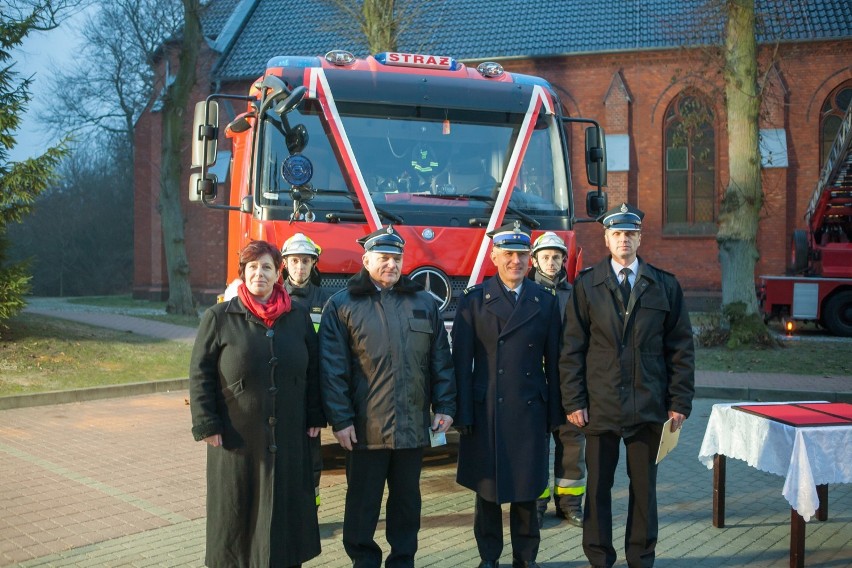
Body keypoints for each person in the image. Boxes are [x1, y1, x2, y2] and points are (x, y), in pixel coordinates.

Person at [559, 203, 695, 568]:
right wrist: (573, 400)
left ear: (640, 238)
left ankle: (641, 558)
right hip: (599, 406)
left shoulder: (664, 285)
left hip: (647, 405)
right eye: (617, 233)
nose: (624, 239)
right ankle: (599, 558)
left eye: (630, 233)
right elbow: (571, 348)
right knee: (598, 490)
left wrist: (679, 400)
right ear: (606, 239)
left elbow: (680, 347)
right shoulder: (587, 285)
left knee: (643, 490)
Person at [319, 225, 456, 568]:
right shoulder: (342, 305)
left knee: (407, 503)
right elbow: (333, 371)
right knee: (363, 504)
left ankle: (403, 559)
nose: (391, 265)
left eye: (397, 258)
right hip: (365, 430)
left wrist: (445, 406)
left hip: (412, 428)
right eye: (383, 258)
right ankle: (363, 560)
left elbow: (440, 361)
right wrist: (341, 420)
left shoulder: (424, 303)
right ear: (366, 260)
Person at [189, 240, 324, 568]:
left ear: (278, 273)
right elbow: (200, 372)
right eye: (252, 267)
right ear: (243, 273)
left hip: (289, 435)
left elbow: (314, 370)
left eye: (266, 267)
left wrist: (315, 415)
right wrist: (206, 423)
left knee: (285, 511)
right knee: (239, 512)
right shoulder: (220, 317)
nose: (259, 274)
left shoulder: (298, 317)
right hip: (237, 439)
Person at [452, 221, 564, 568]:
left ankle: (526, 558)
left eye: (522, 254)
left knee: (528, 492)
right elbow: (461, 363)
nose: (516, 260)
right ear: (495, 256)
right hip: (487, 410)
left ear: (530, 259)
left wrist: (555, 415)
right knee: (487, 492)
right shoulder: (474, 301)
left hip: (529, 408)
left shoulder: (544, 301)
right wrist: (463, 413)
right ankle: (489, 558)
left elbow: (556, 361)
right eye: (509, 254)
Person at [529, 232, 586, 529]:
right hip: (536, 387)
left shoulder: (577, 296)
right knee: (536, 446)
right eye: (545, 257)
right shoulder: (524, 294)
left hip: (568, 387)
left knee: (572, 444)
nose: (551, 262)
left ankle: (570, 504)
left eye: (556, 257)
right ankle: (536, 504)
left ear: (565, 259)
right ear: (534, 260)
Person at [281, 232, 330, 509]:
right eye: (295, 261)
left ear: (314, 264)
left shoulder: (327, 300)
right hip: (285, 388)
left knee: (311, 451)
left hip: (313, 389)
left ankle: (311, 508)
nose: (300, 267)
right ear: (285, 264)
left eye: (306, 261)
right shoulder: (275, 298)